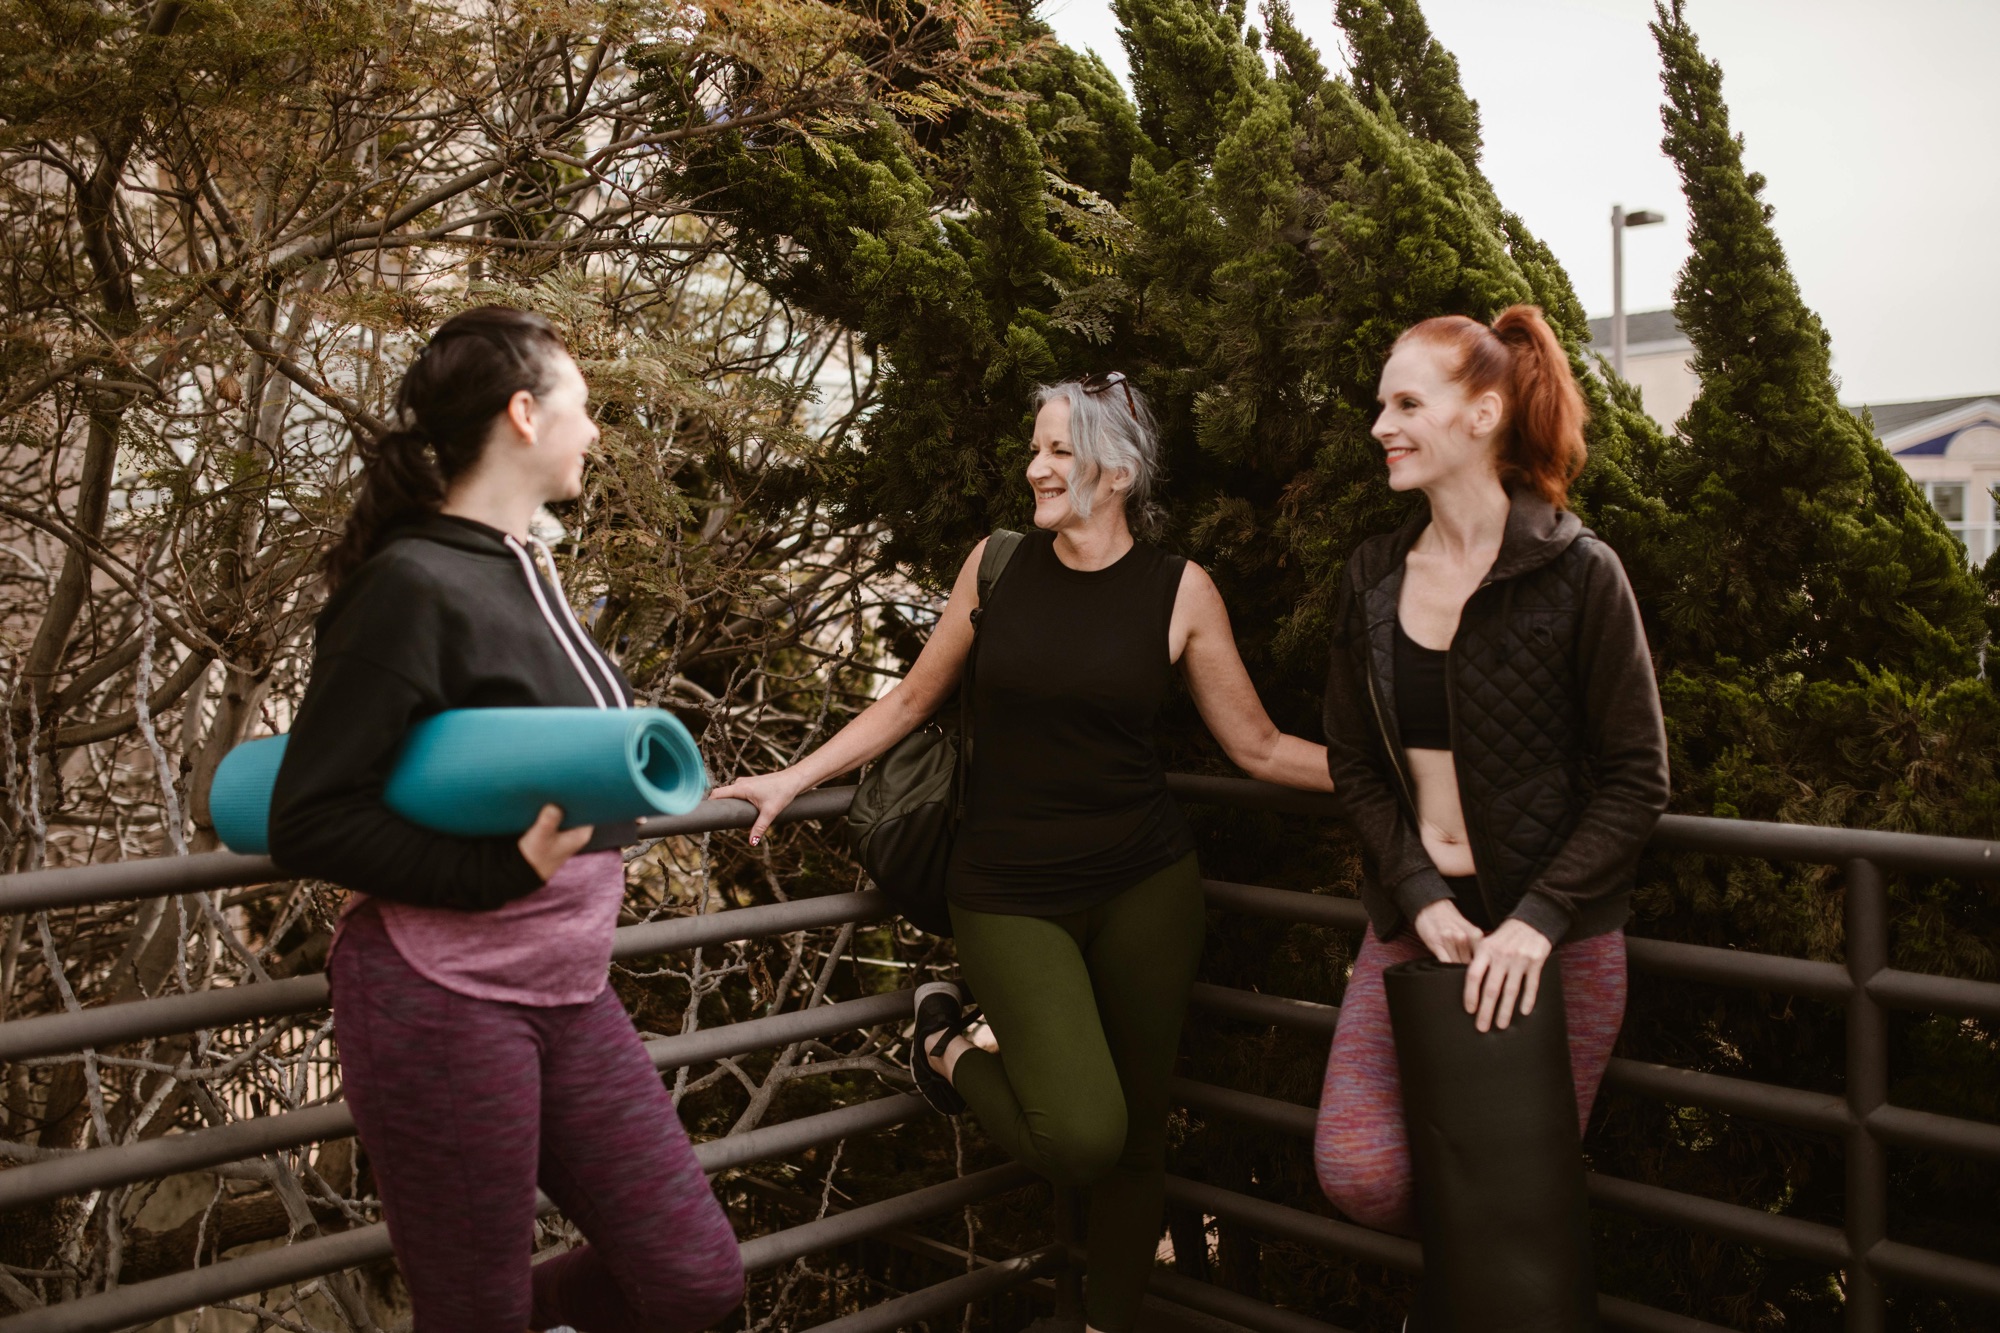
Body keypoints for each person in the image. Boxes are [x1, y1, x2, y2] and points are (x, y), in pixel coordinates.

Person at [715, 372, 1331, 1333]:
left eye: (1058, 451)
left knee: (1138, 1140)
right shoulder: (997, 563)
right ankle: (943, 1042)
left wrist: (1387, 776)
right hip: (1006, 891)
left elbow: (1256, 745)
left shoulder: (1180, 590)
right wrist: (794, 777)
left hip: (1146, 886)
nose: (1036, 467)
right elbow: (911, 699)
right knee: (1083, 1136)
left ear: (1117, 472)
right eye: (1035, 448)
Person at [269, 307, 744, 1333]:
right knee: (475, 1310)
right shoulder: (408, 583)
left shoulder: (524, 566)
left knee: (694, 1278)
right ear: (524, 414)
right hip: (442, 997)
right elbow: (308, 816)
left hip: (568, 989)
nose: (596, 431)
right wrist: (494, 874)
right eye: (583, 406)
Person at [1314, 306, 1669, 1248]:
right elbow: (1353, 758)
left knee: (1509, 1197)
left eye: (1406, 404)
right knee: (1359, 1167)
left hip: (1554, 945)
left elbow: (1638, 777)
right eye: (1381, 405)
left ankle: (1466, 1296)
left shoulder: (1582, 574)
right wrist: (1418, 892)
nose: (1380, 426)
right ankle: (1466, 1282)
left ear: (1482, 414)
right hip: (1418, 926)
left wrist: (1539, 918)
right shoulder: (1373, 577)